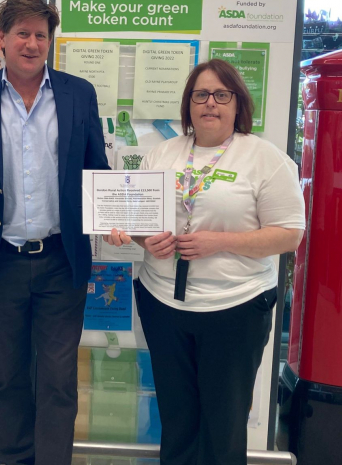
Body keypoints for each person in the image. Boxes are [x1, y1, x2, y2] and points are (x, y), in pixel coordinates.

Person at [106, 59, 305, 465]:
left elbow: (289, 234)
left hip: (234, 309)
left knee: (223, 425)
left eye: (221, 94)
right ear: (189, 104)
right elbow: (137, 220)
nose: (210, 103)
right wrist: (148, 240)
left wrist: (221, 241)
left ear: (237, 103)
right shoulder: (162, 154)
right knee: (177, 422)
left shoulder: (264, 158)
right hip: (165, 305)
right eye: (200, 94)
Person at [0, 0, 110, 465]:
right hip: (2, 261)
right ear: (1, 38)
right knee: (11, 377)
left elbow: (96, 171)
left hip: (62, 258)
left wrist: (116, 217)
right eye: (22, 33)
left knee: (58, 379)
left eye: (41, 34)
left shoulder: (78, 92)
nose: (32, 43)